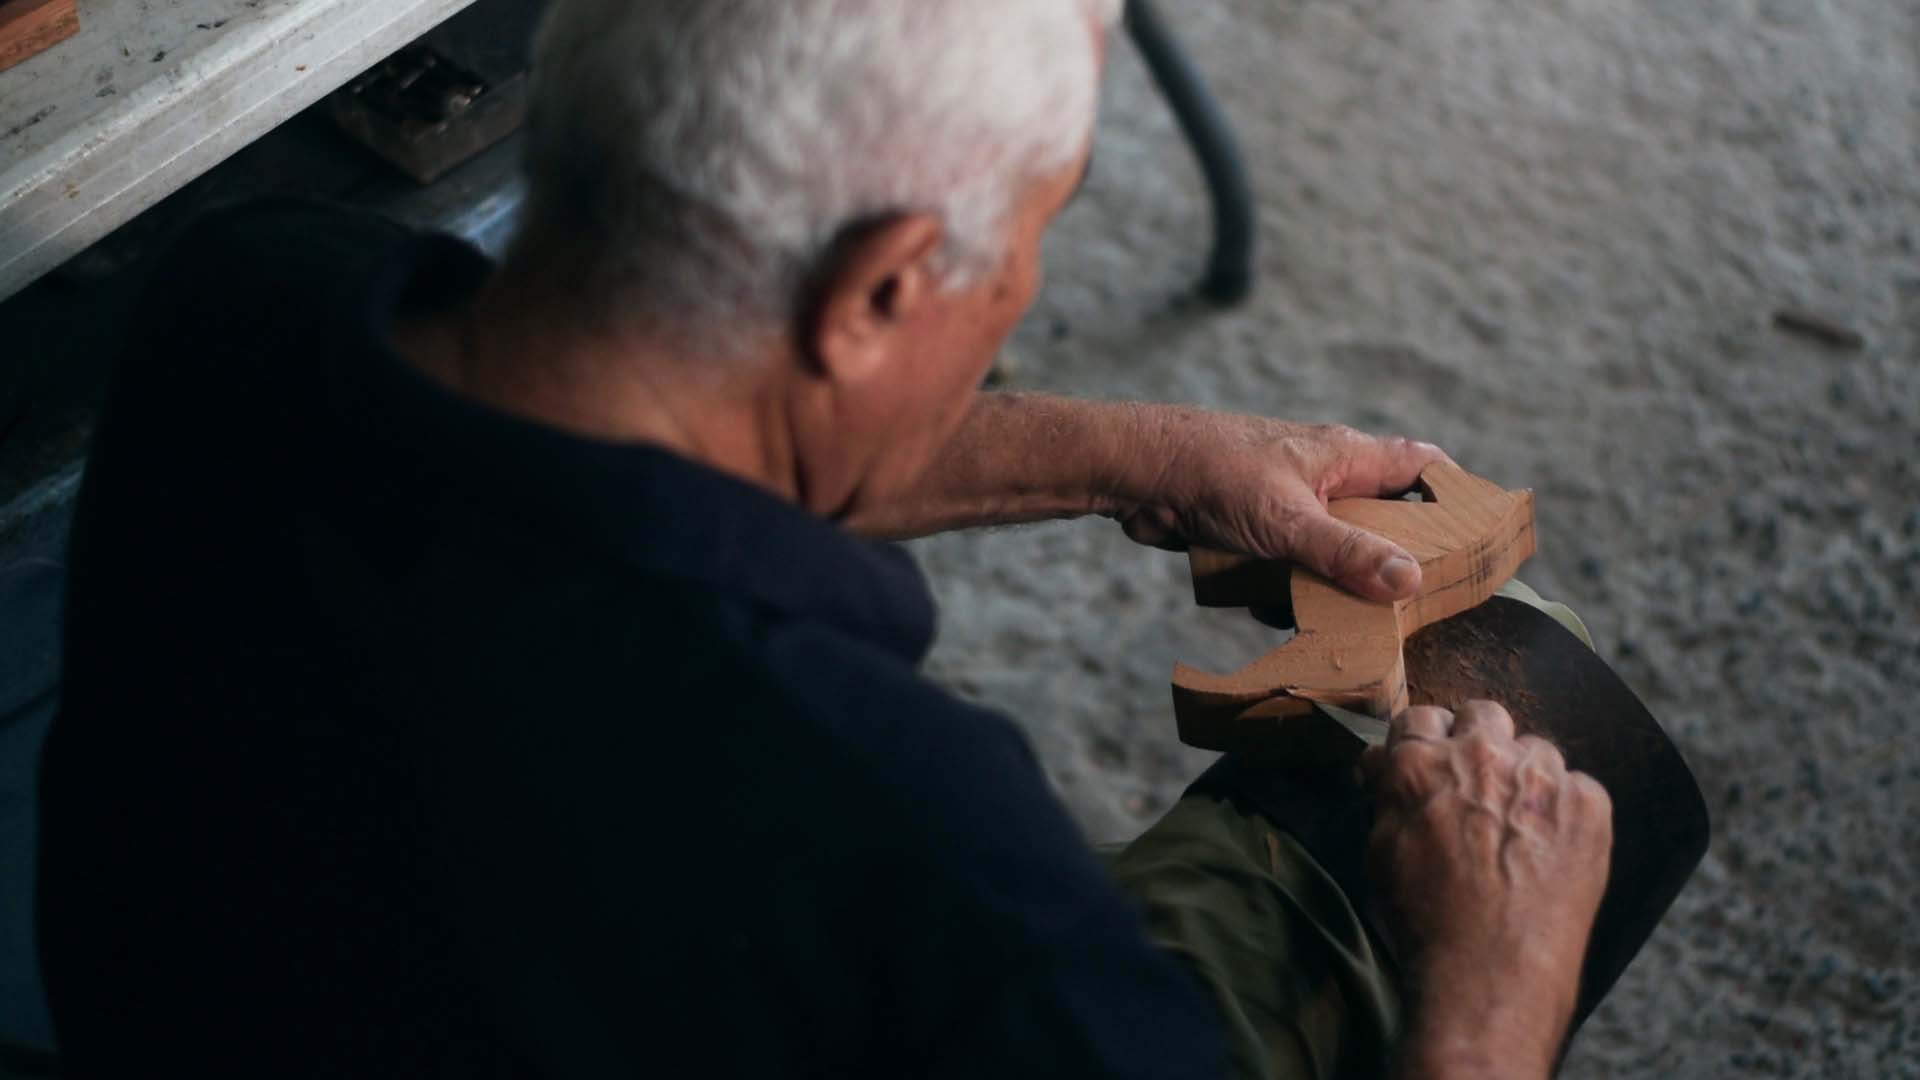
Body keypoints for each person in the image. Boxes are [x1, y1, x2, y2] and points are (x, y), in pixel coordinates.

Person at [37, 1, 1612, 1077]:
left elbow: (651, 442)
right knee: (1541, 773)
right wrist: (1498, 990)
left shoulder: (247, 301)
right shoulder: (922, 846)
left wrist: (1148, 452)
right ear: (878, 293)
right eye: (1038, 235)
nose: (1030, 293)